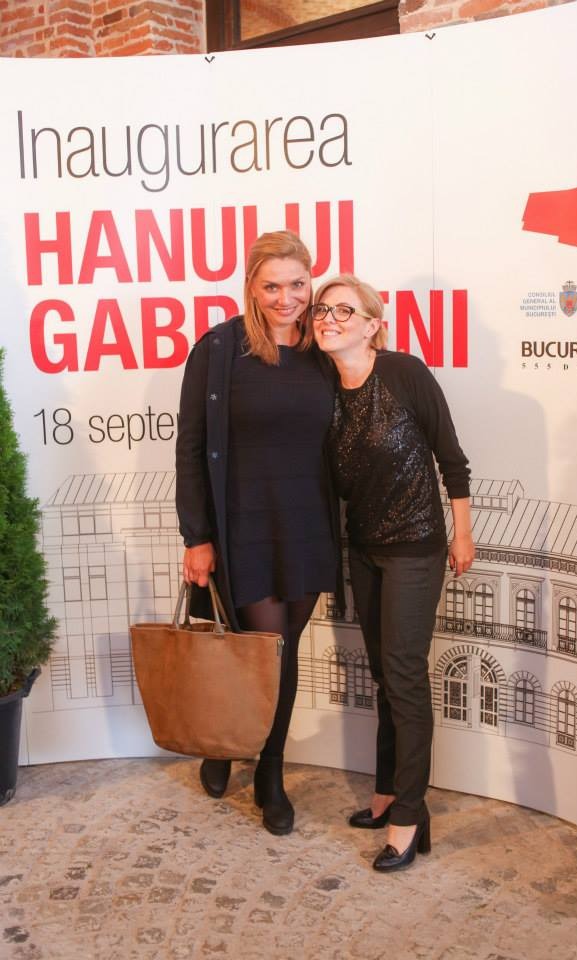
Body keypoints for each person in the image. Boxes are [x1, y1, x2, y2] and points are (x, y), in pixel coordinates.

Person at [175, 230, 341, 836]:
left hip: (307, 525)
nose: (286, 298)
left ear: (311, 281)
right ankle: (241, 755)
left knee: (281, 653)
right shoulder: (220, 349)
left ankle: (260, 764)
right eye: (272, 286)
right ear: (251, 286)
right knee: (260, 652)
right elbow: (191, 447)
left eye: (297, 284)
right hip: (243, 525)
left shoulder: (324, 350)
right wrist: (197, 536)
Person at [313, 274, 474, 872]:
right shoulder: (322, 388)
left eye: (344, 310)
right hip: (364, 549)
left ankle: (409, 813)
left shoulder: (405, 374)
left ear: (373, 325)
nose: (328, 319)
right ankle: (385, 791)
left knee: (404, 676)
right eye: (322, 310)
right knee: (384, 674)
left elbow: (451, 459)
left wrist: (462, 532)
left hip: (415, 548)